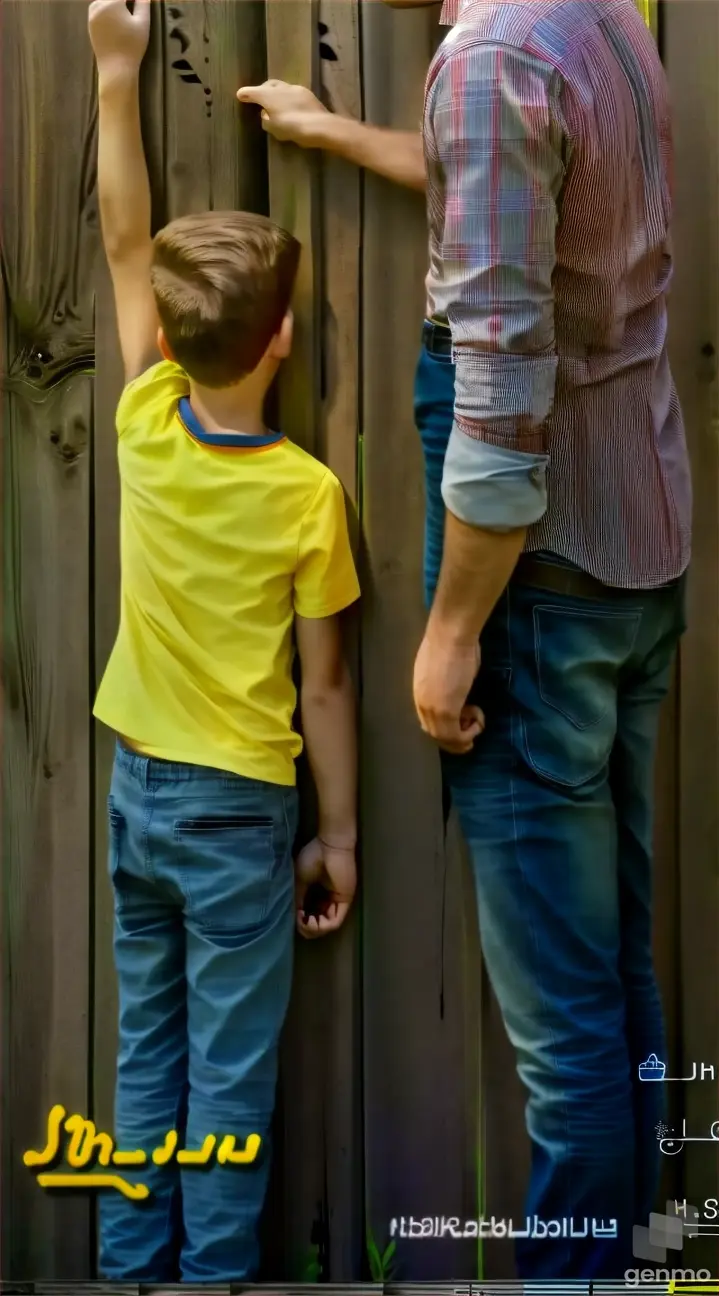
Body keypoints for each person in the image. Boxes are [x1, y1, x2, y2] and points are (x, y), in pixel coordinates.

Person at [240, 0, 691, 1281]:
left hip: (534, 589)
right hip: (631, 549)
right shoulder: (588, 15)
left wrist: (451, 635)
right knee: (616, 982)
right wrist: (336, 132)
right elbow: (506, 184)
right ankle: (638, 1269)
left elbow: (498, 397)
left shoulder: (493, 57)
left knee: (563, 1044)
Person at [88, 0, 360, 1281]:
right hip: (239, 804)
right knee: (230, 1073)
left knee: (147, 1051)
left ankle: (131, 1268)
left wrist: (114, 74)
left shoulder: (147, 419)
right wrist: (341, 834)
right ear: (287, 340)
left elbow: (125, 235)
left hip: (135, 788)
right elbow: (327, 681)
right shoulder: (308, 495)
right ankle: (208, 1282)